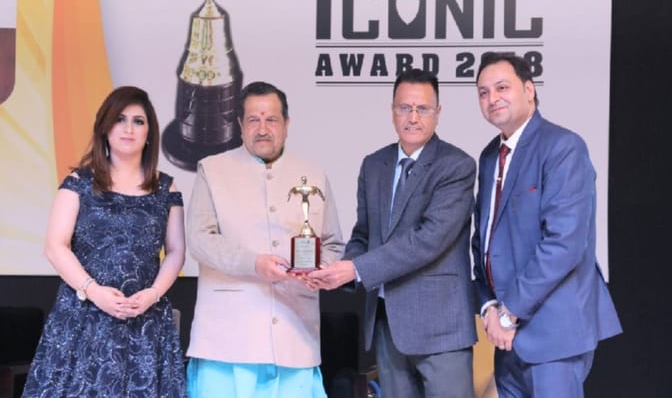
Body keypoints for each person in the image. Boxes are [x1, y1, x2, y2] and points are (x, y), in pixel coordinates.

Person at [308, 69, 477, 398]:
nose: (413, 118)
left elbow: (427, 240)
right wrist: (338, 271)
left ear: (438, 113)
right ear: (392, 111)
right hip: (388, 324)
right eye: (404, 108)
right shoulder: (374, 165)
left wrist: (355, 269)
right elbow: (364, 235)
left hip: (441, 328)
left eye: (422, 109)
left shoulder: (456, 166)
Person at [471, 52, 622, 397]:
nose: (492, 98)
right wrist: (489, 306)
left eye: (502, 87)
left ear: (529, 90)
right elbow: (483, 242)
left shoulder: (563, 147)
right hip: (506, 340)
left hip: (553, 333)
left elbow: (564, 244)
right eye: (483, 92)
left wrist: (509, 313)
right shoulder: (490, 157)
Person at [22, 86, 187, 397]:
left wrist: (152, 295)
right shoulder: (79, 183)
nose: (128, 129)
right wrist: (93, 291)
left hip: (144, 320)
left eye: (138, 121)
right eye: (119, 119)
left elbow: (176, 251)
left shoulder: (166, 188)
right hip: (83, 317)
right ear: (104, 127)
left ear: (149, 133)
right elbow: (55, 246)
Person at [185, 81, 344, 397]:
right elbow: (200, 239)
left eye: (271, 119)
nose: (262, 129)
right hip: (226, 340)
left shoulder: (312, 173)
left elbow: (332, 243)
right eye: (253, 120)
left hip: (294, 334)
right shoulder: (213, 170)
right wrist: (254, 264)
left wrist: (319, 270)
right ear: (240, 125)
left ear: (286, 124)